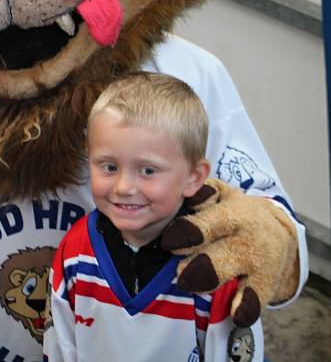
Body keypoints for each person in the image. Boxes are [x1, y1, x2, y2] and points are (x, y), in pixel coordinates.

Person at [44, 72, 263, 362]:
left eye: (147, 171)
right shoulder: (74, 252)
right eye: (108, 167)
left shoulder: (214, 271)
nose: (123, 187)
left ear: (194, 177)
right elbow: (60, 348)